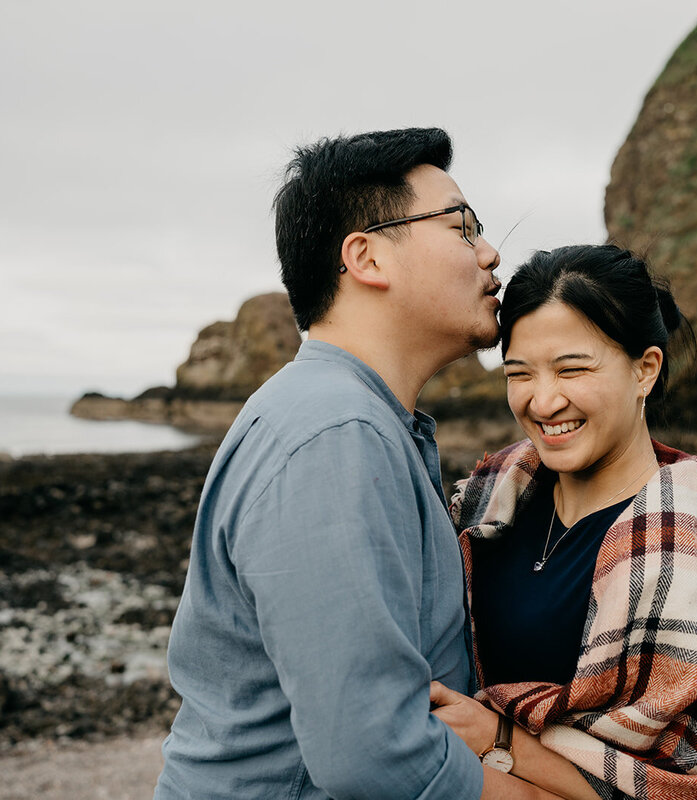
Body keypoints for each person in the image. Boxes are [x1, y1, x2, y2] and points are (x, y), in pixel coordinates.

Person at [155, 128, 558, 799]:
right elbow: (372, 749)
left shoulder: (356, 420)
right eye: (462, 228)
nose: (491, 253)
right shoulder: (333, 434)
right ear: (367, 257)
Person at [430, 244, 697, 799]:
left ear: (644, 369)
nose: (543, 399)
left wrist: (497, 736)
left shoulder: (670, 558)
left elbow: (680, 788)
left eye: (571, 369)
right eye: (520, 373)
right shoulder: (490, 498)